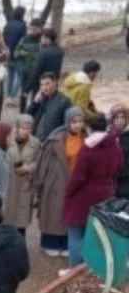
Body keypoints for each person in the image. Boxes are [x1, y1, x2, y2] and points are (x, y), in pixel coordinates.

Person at [63, 113, 123, 269]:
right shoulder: (114, 144)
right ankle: (93, 269)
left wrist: (69, 192)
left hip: (84, 195)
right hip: (106, 193)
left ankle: (74, 269)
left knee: (76, 232)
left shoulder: (87, 148)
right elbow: (119, 165)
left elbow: (79, 177)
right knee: (97, 234)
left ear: (89, 127)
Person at [33, 107, 87, 256]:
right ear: (67, 122)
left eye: (81, 121)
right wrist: (40, 184)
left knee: (70, 214)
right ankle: (49, 242)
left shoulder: (87, 138)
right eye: (74, 121)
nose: (78, 125)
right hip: (56, 181)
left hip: (77, 182)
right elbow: (43, 163)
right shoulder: (55, 139)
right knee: (53, 211)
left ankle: (66, 243)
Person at [4, 114, 42, 234]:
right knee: (7, 218)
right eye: (22, 128)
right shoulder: (8, 141)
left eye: (28, 128)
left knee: (21, 222)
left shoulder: (36, 143)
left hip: (25, 185)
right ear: (17, 127)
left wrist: (29, 168)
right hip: (9, 184)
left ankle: (19, 245)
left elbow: (40, 162)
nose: (25, 131)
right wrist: (13, 146)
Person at [26, 72, 73, 144]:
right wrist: (35, 103)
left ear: (55, 83)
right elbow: (27, 116)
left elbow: (68, 124)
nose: (44, 87)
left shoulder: (64, 101)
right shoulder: (40, 99)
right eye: (42, 85)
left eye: (47, 84)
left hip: (52, 142)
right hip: (35, 140)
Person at [25, 29, 64, 101]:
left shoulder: (44, 53)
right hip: (53, 82)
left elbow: (36, 71)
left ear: (47, 39)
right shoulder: (60, 51)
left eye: (42, 38)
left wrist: (27, 88)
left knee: (37, 106)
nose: (41, 40)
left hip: (41, 85)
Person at [14, 20, 44, 104]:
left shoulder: (43, 40)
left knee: (36, 94)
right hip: (25, 71)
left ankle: (34, 113)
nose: (32, 31)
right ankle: (22, 113)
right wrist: (21, 53)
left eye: (35, 29)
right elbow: (15, 54)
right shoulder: (24, 39)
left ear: (40, 29)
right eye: (31, 29)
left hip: (38, 72)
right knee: (24, 92)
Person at [3, 8, 28, 105]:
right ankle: (13, 96)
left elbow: (4, 38)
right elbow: (24, 40)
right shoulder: (22, 26)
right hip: (18, 54)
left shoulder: (8, 25)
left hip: (9, 53)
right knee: (20, 77)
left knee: (10, 77)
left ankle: (9, 95)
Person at [111, 104, 129, 198]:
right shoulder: (107, 138)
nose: (120, 121)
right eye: (116, 117)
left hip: (124, 187)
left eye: (123, 118)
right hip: (109, 188)